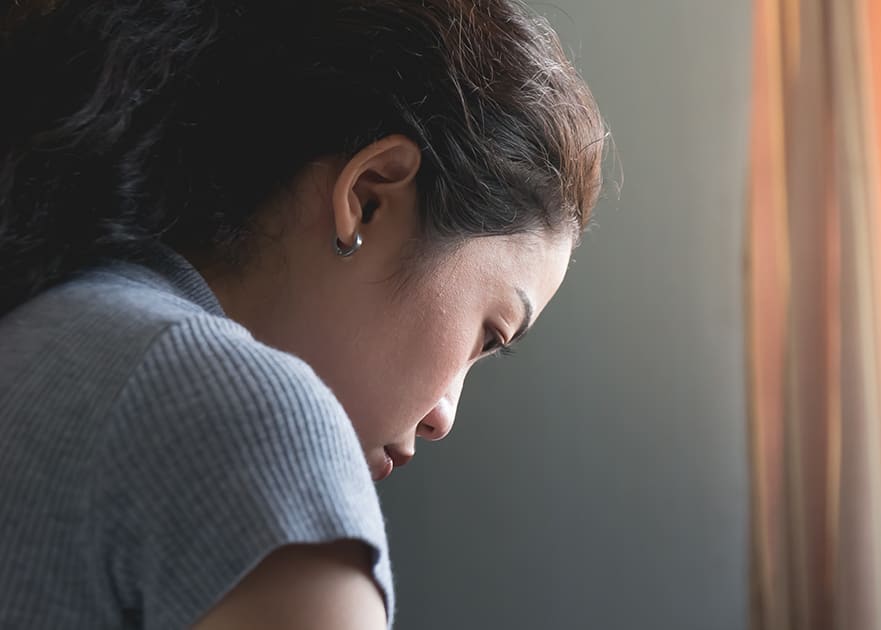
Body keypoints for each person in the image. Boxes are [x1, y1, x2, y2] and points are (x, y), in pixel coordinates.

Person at [0, 0, 606, 627]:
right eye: (489, 332)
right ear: (368, 198)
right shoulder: (258, 425)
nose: (442, 418)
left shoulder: (36, 329)